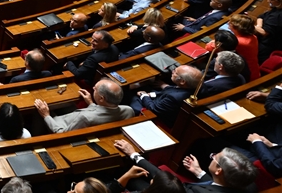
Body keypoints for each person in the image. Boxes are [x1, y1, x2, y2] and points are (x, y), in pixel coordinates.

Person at [114, 140, 256, 193]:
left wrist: (134, 155)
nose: (212, 157)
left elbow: (169, 185)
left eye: (215, 157)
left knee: (130, 175)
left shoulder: (196, 191)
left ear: (219, 170)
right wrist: (199, 173)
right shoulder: (248, 185)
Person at [35, 79, 134, 133]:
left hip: (61, 126)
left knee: (38, 110)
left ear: (102, 99)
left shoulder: (85, 118)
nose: (93, 88)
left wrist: (46, 115)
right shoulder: (128, 110)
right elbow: (104, 114)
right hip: (82, 116)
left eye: (95, 89)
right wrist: (91, 103)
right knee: (68, 104)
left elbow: (62, 134)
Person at [131, 65, 202, 126]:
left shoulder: (174, 98)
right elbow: (172, 91)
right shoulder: (196, 87)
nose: (172, 71)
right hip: (164, 104)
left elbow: (153, 109)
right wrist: (151, 94)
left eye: (176, 72)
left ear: (182, 82)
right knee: (146, 87)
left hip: (156, 115)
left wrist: (144, 95)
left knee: (131, 95)